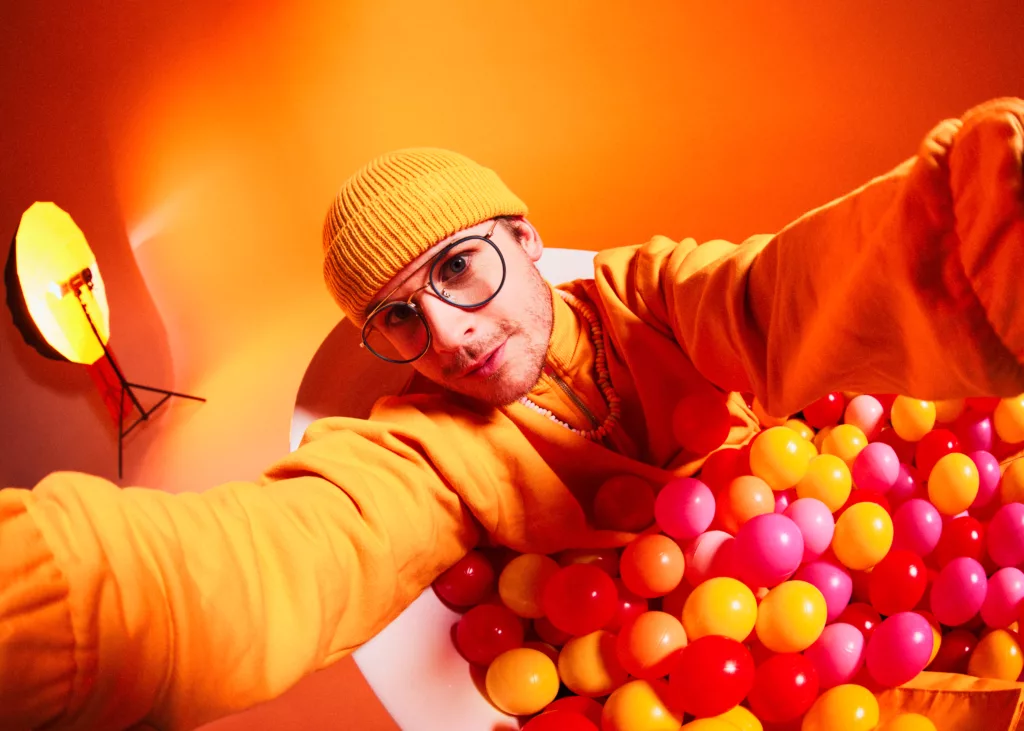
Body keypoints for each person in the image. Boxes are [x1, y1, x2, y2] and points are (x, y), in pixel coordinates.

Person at [2, 96, 1023, 731]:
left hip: (849, 545)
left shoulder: (654, 294)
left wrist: (981, 231)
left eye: (458, 267)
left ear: (527, 238)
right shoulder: (429, 447)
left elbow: (784, 298)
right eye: (400, 317)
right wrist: (59, 608)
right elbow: (283, 556)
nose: (448, 335)